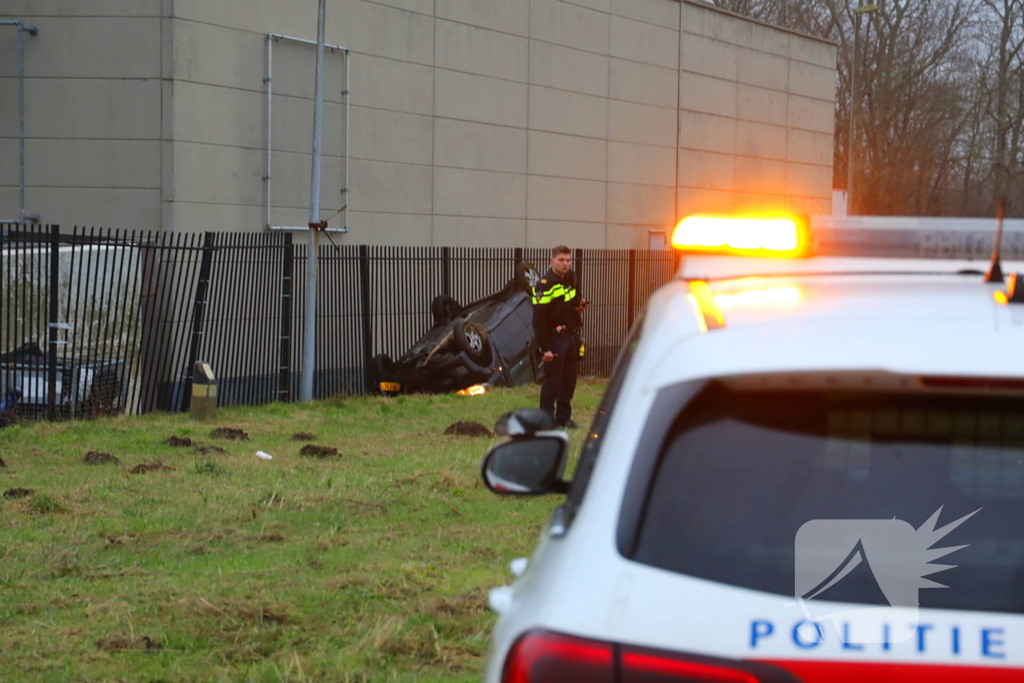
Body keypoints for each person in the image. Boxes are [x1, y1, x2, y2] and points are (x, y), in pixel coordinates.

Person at [532, 245, 589, 428]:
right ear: (552, 261)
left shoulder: (571, 276)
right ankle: (546, 421)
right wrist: (545, 349)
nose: (565, 264)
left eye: (568, 260)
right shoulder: (544, 284)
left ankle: (563, 418)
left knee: (569, 380)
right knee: (553, 381)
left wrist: (579, 303)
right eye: (561, 260)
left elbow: (574, 296)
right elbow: (538, 319)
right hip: (554, 337)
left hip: (571, 334)